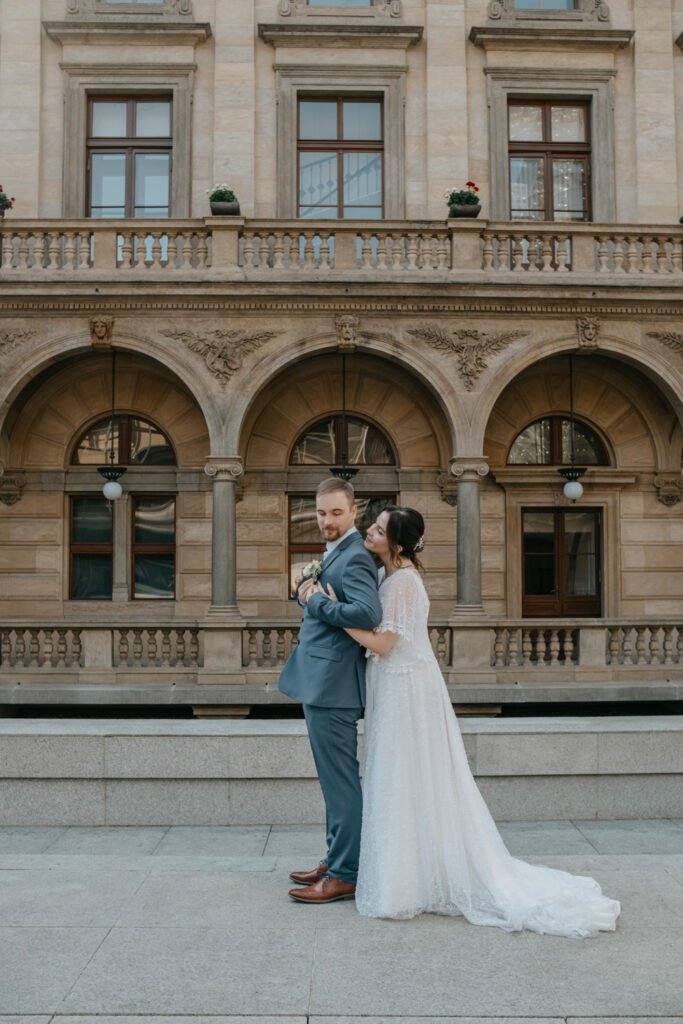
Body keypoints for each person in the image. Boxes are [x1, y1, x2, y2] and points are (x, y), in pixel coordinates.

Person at [314, 506, 621, 937]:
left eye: (379, 529)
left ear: (396, 544)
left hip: (406, 688)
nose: (370, 531)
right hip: (395, 685)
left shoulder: (402, 582)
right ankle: (408, 870)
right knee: (399, 776)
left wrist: (327, 607)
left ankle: (405, 881)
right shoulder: (389, 576)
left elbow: (383, 643)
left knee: (404, 773)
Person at [279, 477, 383, 905]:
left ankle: (346, 873)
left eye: (336, 513)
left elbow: (368, 613)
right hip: (324, 682)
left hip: (335, 687)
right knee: (332, 782)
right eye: (321, 513)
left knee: (341, 784)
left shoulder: (355, 556)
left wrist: (313, 599)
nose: (327, 521)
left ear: (354, 511)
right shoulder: (337, 551)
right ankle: (335, 857)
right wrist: (309, 593)